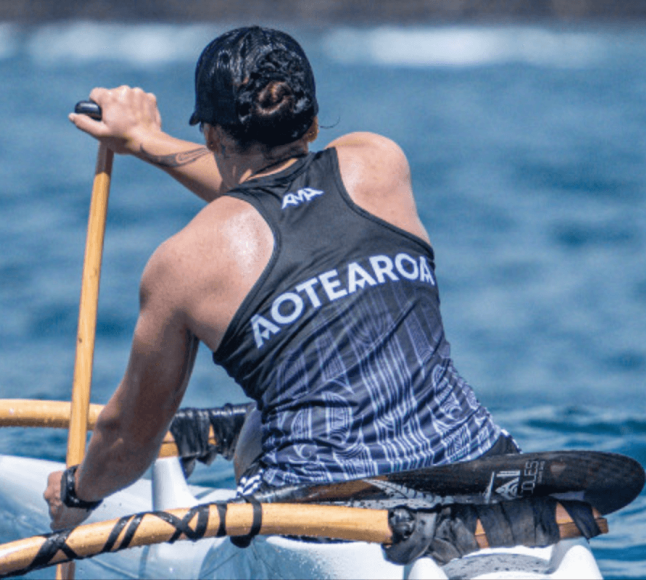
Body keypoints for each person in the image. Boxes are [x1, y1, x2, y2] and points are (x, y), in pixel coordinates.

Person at [44, 25, 515, 531]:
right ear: (312, 124)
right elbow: (282, 192)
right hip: (480, 464)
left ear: (211, 134)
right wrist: (144, 141)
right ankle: (240, 422)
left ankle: (240, 427)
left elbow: (129, 443)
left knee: (259, 438)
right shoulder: (380, 162)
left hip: (329, 517)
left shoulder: (182, 264)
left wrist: (76, 493)